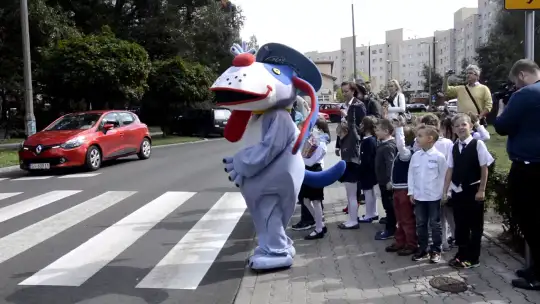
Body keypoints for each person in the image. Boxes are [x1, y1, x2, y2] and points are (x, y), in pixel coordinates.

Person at [494, 59, 540, 290]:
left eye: (515, 82)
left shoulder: (525, 94)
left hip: (528, 167)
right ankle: (535, 268)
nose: (514, 86)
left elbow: (501, 126)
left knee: (529, 219)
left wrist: (501, 105)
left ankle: (538, 276)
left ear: (521, 75)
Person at [443, 113, 494, 269]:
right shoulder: (454, 147)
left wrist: (482, 190)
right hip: (458, 191)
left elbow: (484, 168)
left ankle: (473, 257)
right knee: (461, 224)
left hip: (474, 190)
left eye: (464, 124)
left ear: (471, 126)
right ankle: (461, 253)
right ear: (453, 129)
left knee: (475, 226)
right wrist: (445, 191)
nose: (461, 128)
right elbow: (450, 169)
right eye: (457, 125)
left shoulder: (478, 144)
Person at [408, 125, 448, 263]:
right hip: (419, 197)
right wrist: (411, 192)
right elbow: (411, 174)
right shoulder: (416, 156)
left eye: (420, 136)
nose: (416, 138)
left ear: (430, 139)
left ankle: (436, 250)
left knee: (435, 225)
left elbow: (444, 176)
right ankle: (423, 249)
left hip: (434, 197)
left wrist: (444, 193)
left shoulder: (439, 157)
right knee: (420, 224)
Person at [385, 116, 417, 256]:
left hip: (404, 190)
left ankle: (411, 244)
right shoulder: (401, 154)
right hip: (397, 189)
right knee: (399, 218)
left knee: (406, 219)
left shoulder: (407, 154)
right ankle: (400, 241)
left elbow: (400, 145)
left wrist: (399, 129)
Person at [299, 118, 330, 240]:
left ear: (320, 129)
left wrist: (300, 159)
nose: (312, 130)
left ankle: (319, 229)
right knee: (305, 200)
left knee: (316, 201)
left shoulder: (322, 143)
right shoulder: (313, 140)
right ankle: (320, 224)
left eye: (315, 128)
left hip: (315, 171)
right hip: (308, 171)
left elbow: (312, 162)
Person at [336, 121, 362, 230]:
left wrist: (352, 114)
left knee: (352, 196)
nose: (339, 137)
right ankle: (351, 219)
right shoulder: (344, 140)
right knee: (350, 196)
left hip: (352, 167)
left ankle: (353, 220)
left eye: (340, 134)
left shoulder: (351, 139)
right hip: (349, 166)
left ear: (346, 131)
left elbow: (353, 126)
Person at [374, 119, 397, 240]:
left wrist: (390, 180)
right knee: (387, 206)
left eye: (378, 130)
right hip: (382, 181)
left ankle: (390, 230)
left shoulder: (388, 146)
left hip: (387, 183)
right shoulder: (383, 144)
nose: (375, 132)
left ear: (386, 131)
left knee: (389, 207)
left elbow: (390, 164)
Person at [357, 116, 379, 223]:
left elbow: (367, 159)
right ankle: (373, 212)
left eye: (362, 124)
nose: (360, 125)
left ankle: (369, 214)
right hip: (370, 171)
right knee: (370, 193)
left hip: (367, 172)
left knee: (368, 193)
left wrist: (361, 170)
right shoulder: (371, 140)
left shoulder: (368, 141)